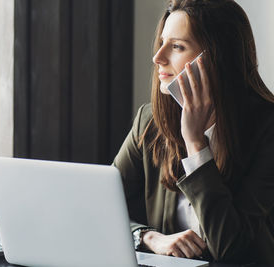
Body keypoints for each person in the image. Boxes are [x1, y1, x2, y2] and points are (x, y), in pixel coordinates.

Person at [113, 0, 274, 264]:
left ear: (217, 58)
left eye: (177, 46)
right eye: (162, 42)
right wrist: (149, 238)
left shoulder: (267, 129)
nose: (158, 57)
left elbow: (230, 247)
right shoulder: (150, 121)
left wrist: (196, 143)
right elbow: (103, 207)